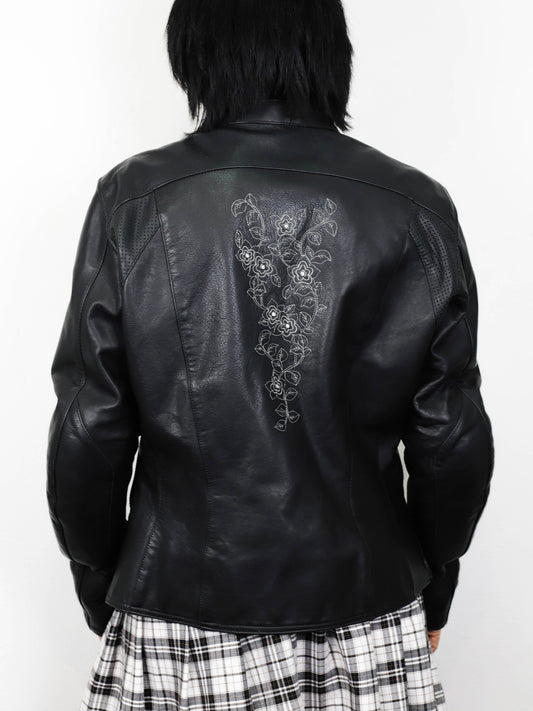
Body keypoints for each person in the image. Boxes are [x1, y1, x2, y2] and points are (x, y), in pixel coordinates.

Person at [46, 1, 495, 709]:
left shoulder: (134, 200)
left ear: (195, 52)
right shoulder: (416, 207)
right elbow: (452, 440)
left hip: (181, 611)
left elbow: (89, 428)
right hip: (367, 610)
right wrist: (433, 584)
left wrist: (103, 581)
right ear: (329, 53)